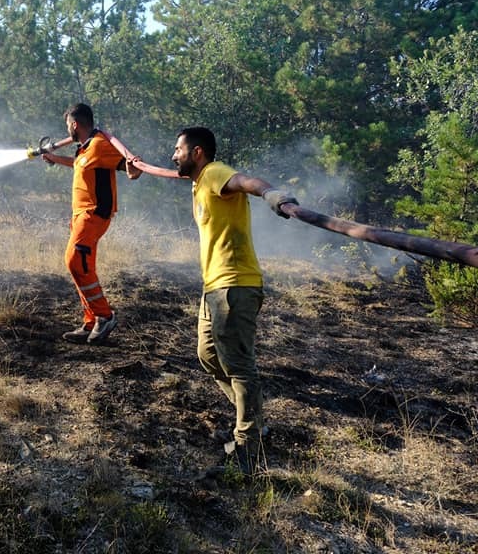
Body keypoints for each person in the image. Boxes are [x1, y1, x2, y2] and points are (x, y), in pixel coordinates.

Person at [128, 126, 297, 474]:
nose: (173, 155)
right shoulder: (198, 181)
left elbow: (247, 182)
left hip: (235, 285)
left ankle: (249, 444)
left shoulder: (215, 172)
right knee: (207, 357)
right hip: (214, 287)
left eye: (178, 149)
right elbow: (158, 170)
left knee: (238, 365)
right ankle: (251, 418)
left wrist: (272, 194)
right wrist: (132, 165)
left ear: (198, 152)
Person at [41, 103, 141, 344]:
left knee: (74, 261)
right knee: (82, 267)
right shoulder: (84, 149)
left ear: (75, 124)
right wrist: (54, 158)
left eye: (68, 126)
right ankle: (90, 321)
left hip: (94, 214)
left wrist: (132, 168)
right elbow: (80, 165)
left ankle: (105, 316)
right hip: (79, 216)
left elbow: (128, 166)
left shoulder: (100, 144)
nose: (67, 131)